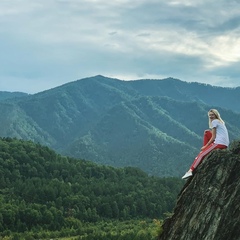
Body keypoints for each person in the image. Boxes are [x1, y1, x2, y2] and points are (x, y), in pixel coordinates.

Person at [182, 109, 229, 179]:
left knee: (200, 155)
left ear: (216, 115)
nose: (211, 116)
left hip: (219, 143)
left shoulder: (214, 121)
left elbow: (213, 137)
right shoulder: (220, 122)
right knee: (207, 132)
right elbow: (214, 135)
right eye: (209, 115)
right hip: (224, 143)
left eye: (212, 115)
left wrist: (206, 146)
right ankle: (204, 150)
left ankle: (190, 171)